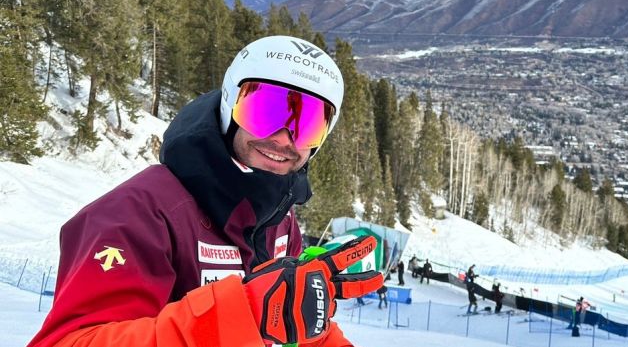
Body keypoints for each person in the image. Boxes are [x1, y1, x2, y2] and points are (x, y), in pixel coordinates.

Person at [27, 36, 384, 347]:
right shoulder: (135, 215)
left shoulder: (279, 216)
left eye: (306, 126)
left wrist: (302, 312)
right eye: (265, 111)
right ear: (231, 105)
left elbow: (287, 323)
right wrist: (241, 314)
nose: (282, 139)